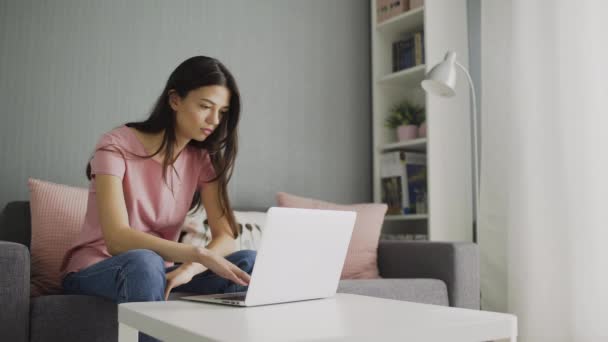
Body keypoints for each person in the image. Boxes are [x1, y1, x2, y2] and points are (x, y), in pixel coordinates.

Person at [59, 56, 256, 342]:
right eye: (205, 107)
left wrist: (189, 270)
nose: (214, 120)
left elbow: (226, 236)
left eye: (222, 112)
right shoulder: (115, 145)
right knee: (144, 262)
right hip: (100, 268)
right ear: (175, 100)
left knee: (249, 263)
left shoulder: (201, 159)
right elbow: (117, 239)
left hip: (160, 271)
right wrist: (196, 253)